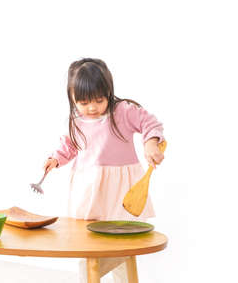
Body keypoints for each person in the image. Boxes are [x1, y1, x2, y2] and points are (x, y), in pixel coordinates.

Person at [43, 58, 165, 283]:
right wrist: (56, 159)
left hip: (120, 192)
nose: (91, 108)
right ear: (71, 99)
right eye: (83, 102)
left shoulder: (123, 111)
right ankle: (88, 277)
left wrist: (151, 143)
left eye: (98, 100)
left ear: (108, 92)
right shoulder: (76, 120)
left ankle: (107, 276)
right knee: (87, 245)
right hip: (88, 190)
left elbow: (151, 123)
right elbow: (70, 146)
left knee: (123, 242)